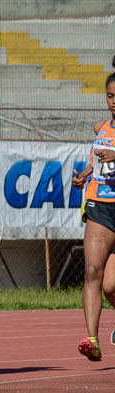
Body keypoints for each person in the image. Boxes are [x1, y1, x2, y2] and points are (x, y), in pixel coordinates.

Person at [70, 59, 115, 359]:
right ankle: (92, 339)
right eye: (110, 96)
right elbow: (102, 160)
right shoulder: (102, 127)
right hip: (101, 206)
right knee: (92, 271)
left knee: (112, 286)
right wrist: (86, 173)